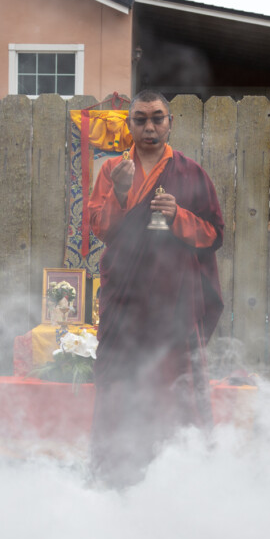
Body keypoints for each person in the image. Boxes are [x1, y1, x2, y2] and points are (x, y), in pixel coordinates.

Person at [87, 90, 224, 488]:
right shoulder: (112, 169)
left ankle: (181, 473)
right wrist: (120, 193)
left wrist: (178, 215)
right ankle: (115, 472)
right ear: (129, 125)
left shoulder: (191, 173)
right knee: (120, 382)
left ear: (170, 122)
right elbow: (101, 230)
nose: (149, 126)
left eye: (157, 118)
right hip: (125, 301)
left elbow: (213, 233)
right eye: (141, 119)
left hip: (173, 300)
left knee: (174, 382)